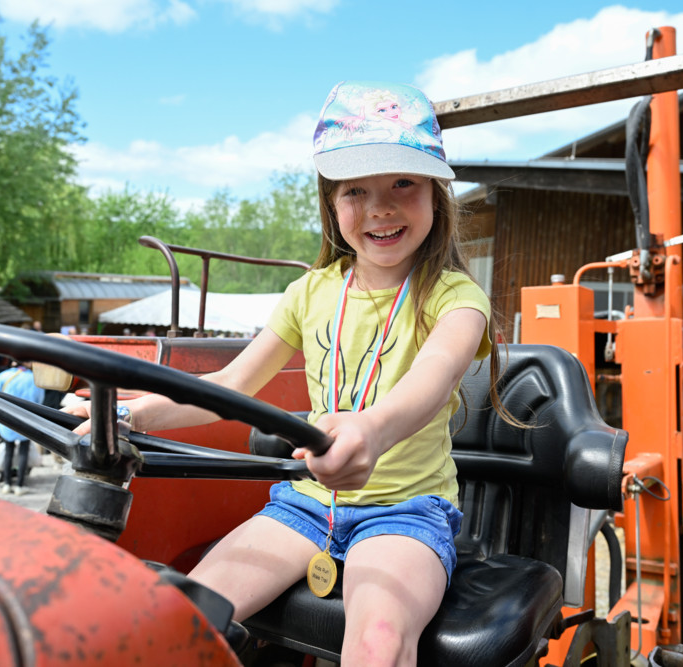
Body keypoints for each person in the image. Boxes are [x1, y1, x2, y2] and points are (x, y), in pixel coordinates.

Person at [68, 80, 516, 666]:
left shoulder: (455, 297)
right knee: (182, 617)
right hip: (306, 504)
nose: (380, 206)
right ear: (332, 202)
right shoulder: (309, 292)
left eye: (402, 182)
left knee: (378, 644)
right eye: (356, 188)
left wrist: (370, 431)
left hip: (405, 510)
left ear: (437, 193)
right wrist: (130, 413)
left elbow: (431, 379)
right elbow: (231, 387)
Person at [0, 361, 45, 496]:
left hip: (6, 418)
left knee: (8, 450)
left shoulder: (3, 376)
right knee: (23, 451)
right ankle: (20, 485)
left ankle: (7, 483)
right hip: (26, 419)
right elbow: (39, 400)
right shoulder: (34, 378)